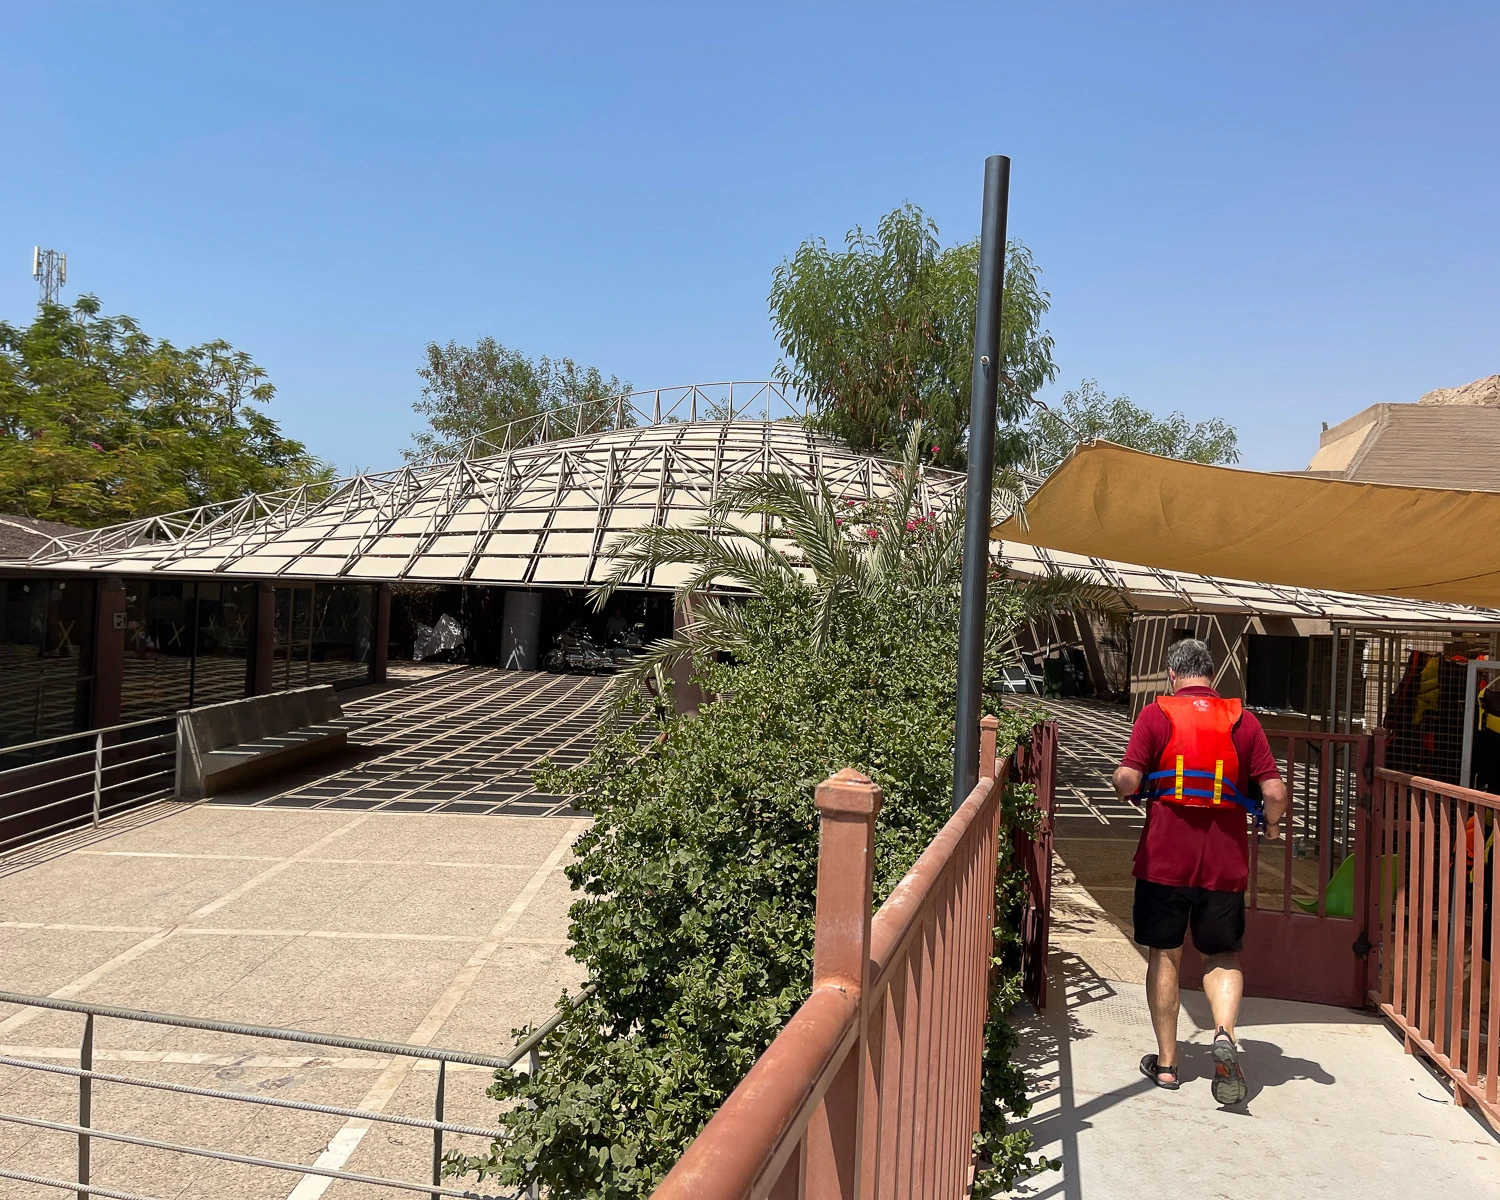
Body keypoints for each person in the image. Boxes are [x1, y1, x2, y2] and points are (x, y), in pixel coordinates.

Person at [1111, 638, 1288, 1105]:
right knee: (1222, 956)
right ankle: (1224, 1035)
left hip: (1164, 861)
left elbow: (1128, 778)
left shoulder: (1156, 716)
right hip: (1224, 864)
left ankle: (1167, 1066)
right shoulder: (1243, 721)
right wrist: (1270, 828)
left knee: (1165, 956)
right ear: (1210, 676)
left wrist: (1126, 784)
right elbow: (1274, 791)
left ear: (1173, 676)